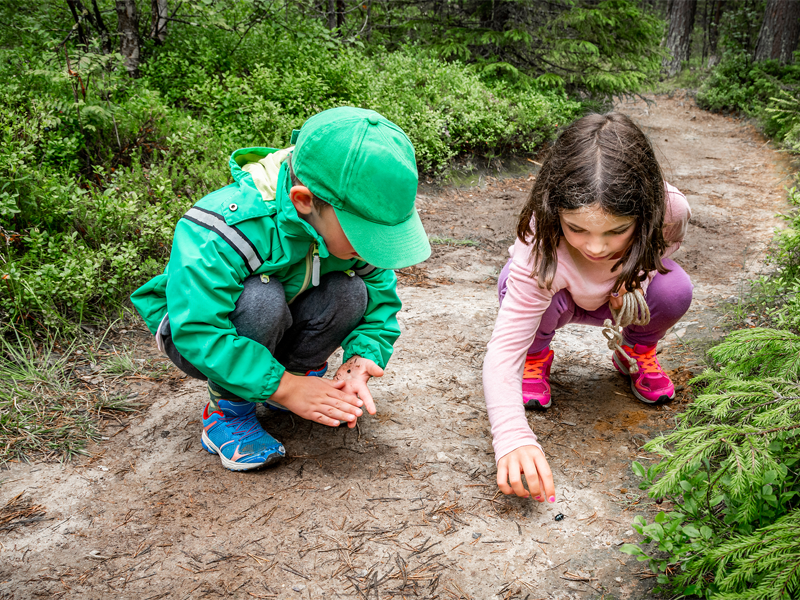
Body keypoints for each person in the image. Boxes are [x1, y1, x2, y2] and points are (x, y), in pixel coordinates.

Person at [130, 107, 431, 471]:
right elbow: (198, 329)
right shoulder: (226, 227)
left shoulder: (344, 231)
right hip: (196, 335)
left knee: (351, 292)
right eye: (364, 233)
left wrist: (363, 357)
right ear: (304, 201)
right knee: (261, 298)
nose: (372, 248)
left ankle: (290, 380)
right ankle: (227, 412)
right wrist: (286, 388)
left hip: (279, 321)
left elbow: (380, 303)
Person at [482, 112, 692, 502]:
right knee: (516, 282)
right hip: (557, 301)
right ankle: (537, 354)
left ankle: (636, 348)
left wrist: (635, 280)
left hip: (620, 302)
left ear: (645, 214)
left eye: (616, 231)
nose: (595, 248)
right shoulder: (538, 230)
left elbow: (661, 252)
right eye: (577, 228)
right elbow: (503, 347)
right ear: (553, 208)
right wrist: (511, 437)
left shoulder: (671, 210)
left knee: (675, 289)